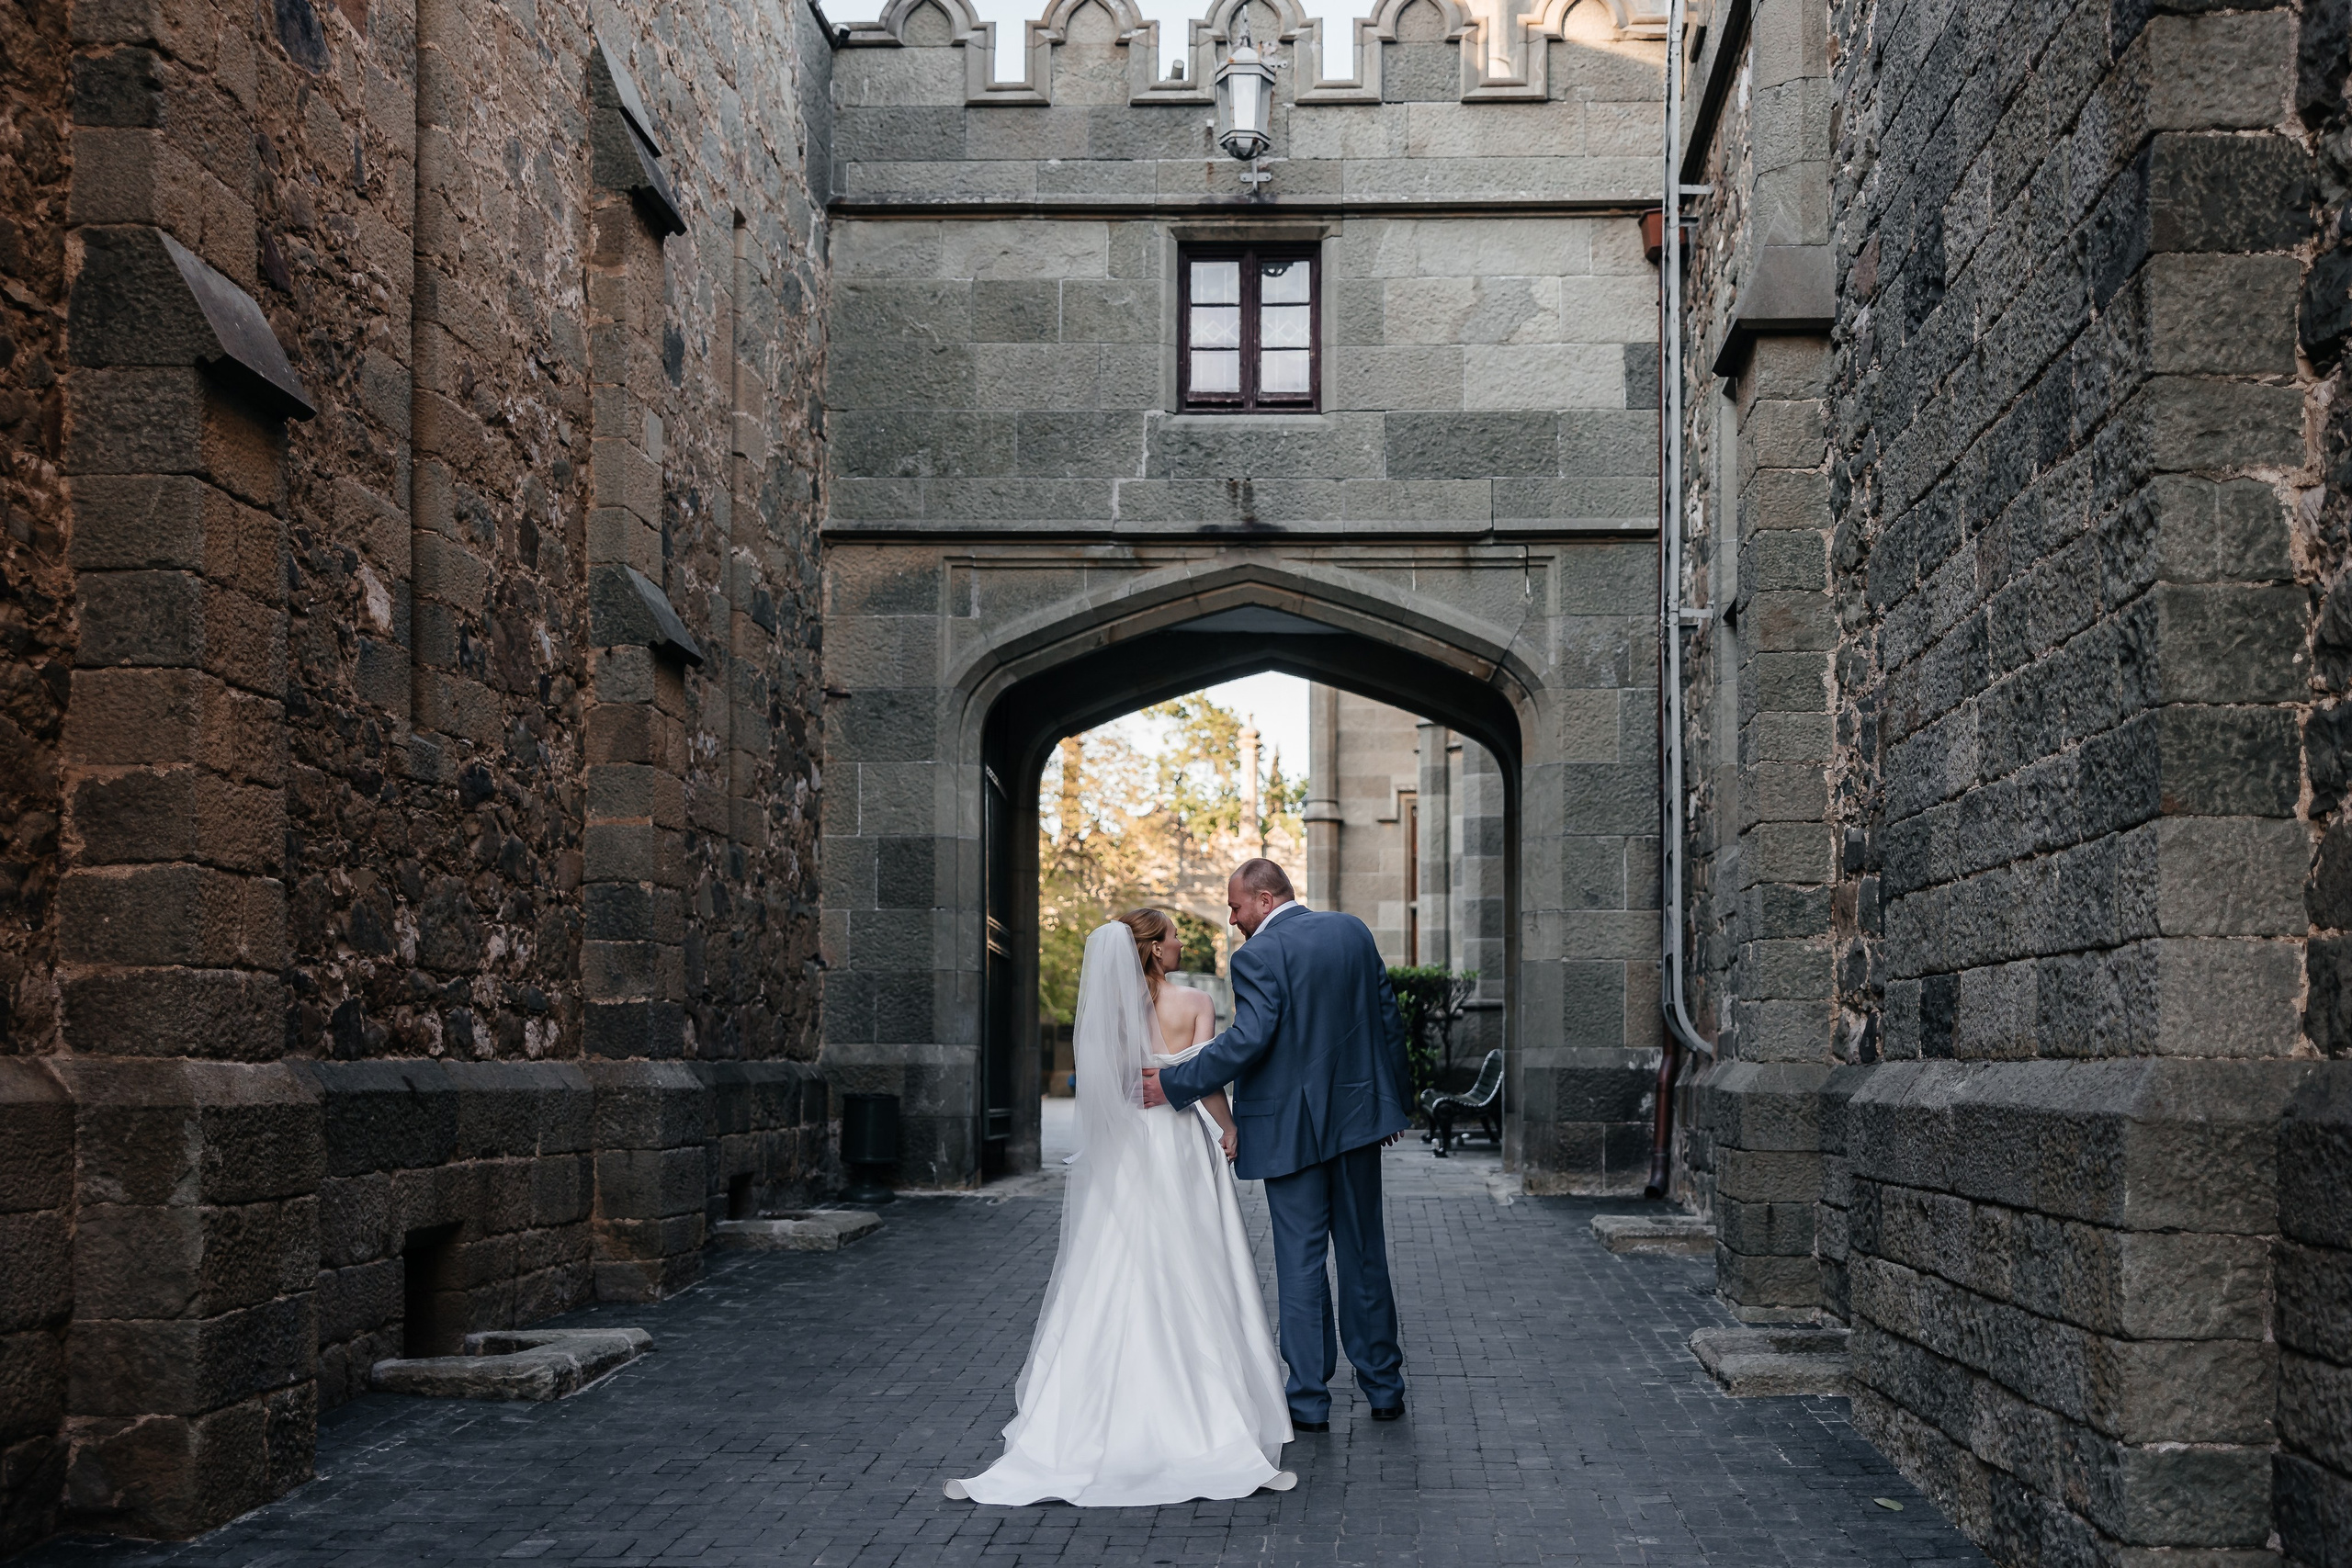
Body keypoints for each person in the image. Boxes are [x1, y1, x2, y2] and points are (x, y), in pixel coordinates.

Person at [944, 910, 1295, 1505]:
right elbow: (1207, 1078)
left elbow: (1103, 1082)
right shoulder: (1195, 1003)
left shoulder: (1111, 1011)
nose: (1180, 942)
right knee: (1191, 1261)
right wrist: (1230, 1129)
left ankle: (1089, 1410)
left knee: (1117, 1261)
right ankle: (1204, 1411)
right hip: (1179, 1144)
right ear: (1155, 950)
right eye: (1173, 936)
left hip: (1129, 1149)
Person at [1140, 859, 1411, 1431]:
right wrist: (1393, 1105)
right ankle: (1385, 1388)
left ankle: (1309, 1400)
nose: (1232, 919)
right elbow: (1387, 1019)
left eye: (1236, 907)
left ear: (1265, 900)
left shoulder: (1257, 955)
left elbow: (1249, 1040)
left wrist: (1173, 1082)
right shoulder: (1352, 932)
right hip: (1358, 1122)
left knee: (1301, 1263)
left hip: (1289, 1132)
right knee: (1364, 1255)